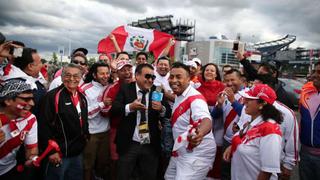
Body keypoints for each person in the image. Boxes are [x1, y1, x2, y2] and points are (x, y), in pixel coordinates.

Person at [111, 63, 169, 180]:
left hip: (150, 144)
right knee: (124, 175)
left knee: (149, 175)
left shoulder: (157, 90)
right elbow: (114, 110)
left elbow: (168, 113)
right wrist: (130, 107)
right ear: (137, 75)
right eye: (147, 76)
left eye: (152, 77)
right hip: (129, 143)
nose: (150, 80)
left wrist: (161, 109)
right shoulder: (125, 88)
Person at [165, 62, 216, 180]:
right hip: (182, 150)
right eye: (171, 77)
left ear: (189, 79)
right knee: (169, 177)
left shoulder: (196, 99)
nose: (173, 80)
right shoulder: (180, 94)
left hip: (198, 153)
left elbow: (206, 120)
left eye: (179, 77)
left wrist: (200, 133)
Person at [38, 63, 89, 180]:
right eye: (67, 75)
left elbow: (83, 120)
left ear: (81, 78)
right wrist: (51, 152)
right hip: (59, 154)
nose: (72, 79)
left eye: (76, 76)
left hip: (77, 152)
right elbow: (43, 126)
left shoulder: (81, 96)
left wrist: (86, 138)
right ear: (61, 77)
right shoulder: (51, 97)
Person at [223, 84, 283, 180]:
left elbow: (267, 171)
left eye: (249, 99)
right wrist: (232, 146)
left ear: (262, 104)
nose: (244, 101)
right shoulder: (252, 122)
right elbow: (246, 140)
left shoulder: (270, 131)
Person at [101, 60, 133, 180]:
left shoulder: (138, 84)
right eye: (123, 70)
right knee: (115, 159)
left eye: (129, 69)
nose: (127, 73)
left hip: (135, 130)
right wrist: (118, 109)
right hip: (117, 129)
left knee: (133, 159)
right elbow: (103, 111)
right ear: (117, 73)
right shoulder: (112, 88)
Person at [213, 69, 247, 180]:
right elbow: (214, 115)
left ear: (241, 80)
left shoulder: (248, 95)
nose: (229, 83)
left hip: (243, 141)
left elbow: (248, 116)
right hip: (227, 140)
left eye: (232, 80)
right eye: (226, 80)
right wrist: (219, 106)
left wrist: (233, 101)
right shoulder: (224, 94)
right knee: (225, 172)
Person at [0, 79, 38, 179]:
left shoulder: (30, 119)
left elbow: (31, 149)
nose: (32, 103)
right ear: (8, 100)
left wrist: (32, 158)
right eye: (26, 99)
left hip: (10, 170)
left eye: (32, 99)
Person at [81, 62, 112, 180]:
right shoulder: (85, 89)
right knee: (87, 165)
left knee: (103, 164)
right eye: (102, 73)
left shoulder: (111, 86)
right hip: (91, 133)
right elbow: (85, 114)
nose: (105, 76)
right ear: (94, 75)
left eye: (107, 73)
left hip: (106, 132)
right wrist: (102, 104)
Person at [195, 63, 224, 179]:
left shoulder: (222, 87)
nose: (209, 72)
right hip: (203, 121)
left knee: (216, 149)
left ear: (216, 74)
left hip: (218, 122)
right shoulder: (197, 89)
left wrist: (218, 106)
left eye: (212, 70)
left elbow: (221, 108)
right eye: (207, 70)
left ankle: (214, 176)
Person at [299, 61, 320, 180]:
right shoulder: (306, 91)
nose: (315, 75)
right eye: (314, 71)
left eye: (319, 72)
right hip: (305, 153)